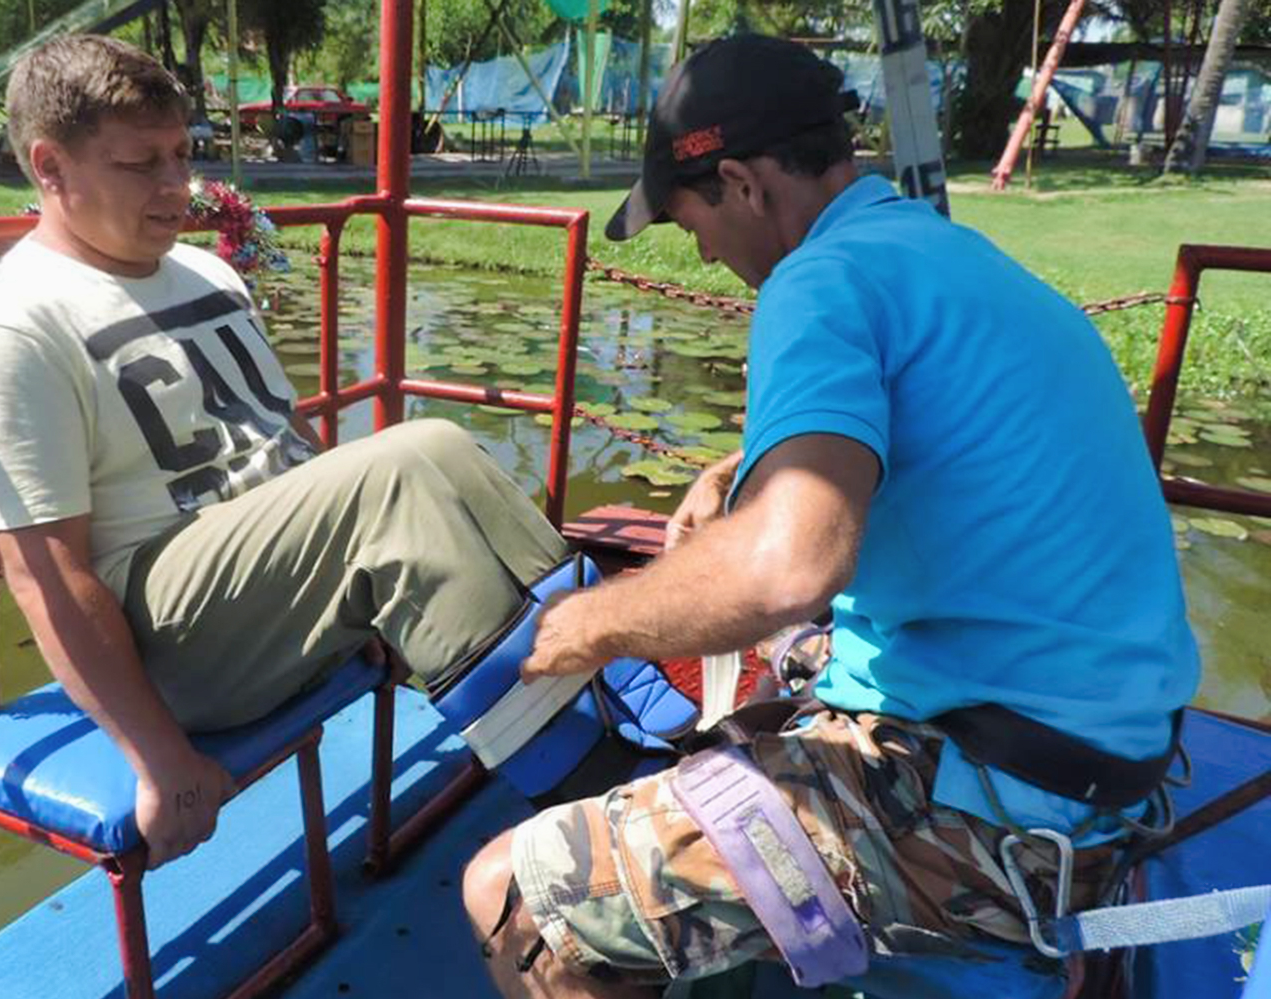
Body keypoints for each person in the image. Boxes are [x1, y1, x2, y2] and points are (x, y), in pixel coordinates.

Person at [461, 34, 1199, 998]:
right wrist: (743, 469)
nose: (704, 253)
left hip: (995, 801)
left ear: (740, 183)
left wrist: (587, 624)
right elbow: (942, 428)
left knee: (515, 897)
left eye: (690, 223)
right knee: (774, 679)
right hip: (1111, 760)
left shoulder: (816, 281)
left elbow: (788, 569)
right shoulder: (942, 251)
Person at [0, 35, 594, 871]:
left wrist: (365, 585)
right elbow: (46, 576)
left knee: (441, 445)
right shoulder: (11, 325)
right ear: (50, 168)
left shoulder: (205, 272)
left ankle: (617, 692)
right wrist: (158, 757)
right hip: (168, 651)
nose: (178, 185)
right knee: (400, 467)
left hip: (263, 602)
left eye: (183, 154)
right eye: (141, 164)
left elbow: (282, 443)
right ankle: (591, 787)